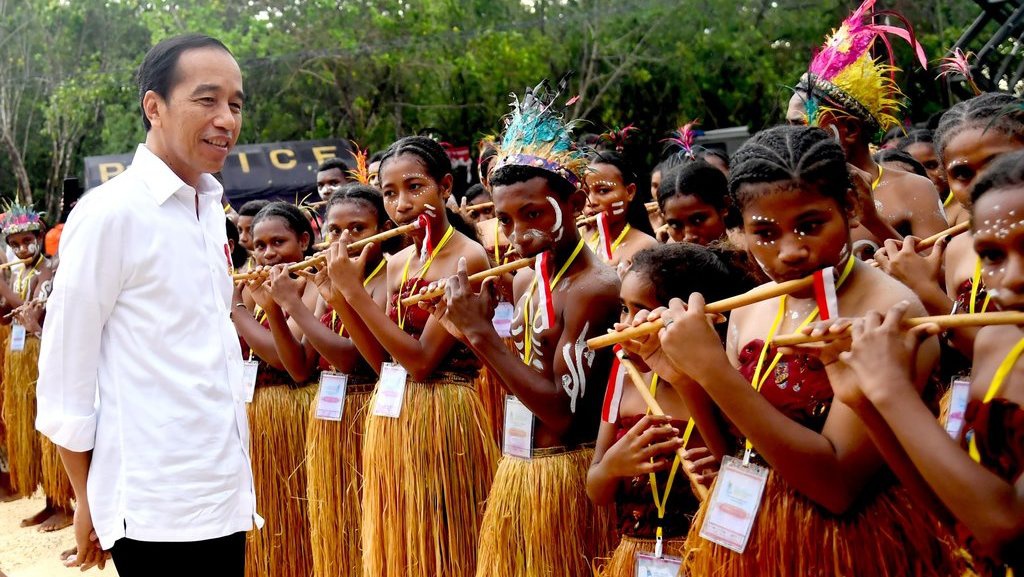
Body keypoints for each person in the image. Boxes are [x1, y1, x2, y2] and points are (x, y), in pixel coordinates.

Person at [623, 125, 961, 576]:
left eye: (810, 225)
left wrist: (713, 371)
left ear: (851, 206)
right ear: (738, 229)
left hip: (849, 549)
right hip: (755, 541)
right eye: (764, 232)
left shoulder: (890, 311)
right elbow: (736, 452)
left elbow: (838, 485)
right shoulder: (755, 304)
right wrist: (686, 376)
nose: (790, 251)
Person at [35, 34, 258, 575]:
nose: (225, 119)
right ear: (153, 107)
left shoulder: (209, 209)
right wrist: (87, 498)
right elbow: (67, 373)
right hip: (156, 509)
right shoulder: (112, 214)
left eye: (235, 103)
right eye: (206, 100)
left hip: (224, 493)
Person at [433, 80, 618, 577]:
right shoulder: (523, 277)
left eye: (533, 214)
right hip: (520, 469)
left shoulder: (594, 288)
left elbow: (564, 413)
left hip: (565, 476)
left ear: (575, 203)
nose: (518, 235)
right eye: (505, 220)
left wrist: (480, 335)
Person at [819, 149, 1024, 577]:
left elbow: (1008, 531)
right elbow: (952, 507)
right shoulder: (996, 340)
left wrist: (893, 392)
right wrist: (863, 397)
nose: (1014, 277)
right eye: (992, 255)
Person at [323, 135, 498, 577]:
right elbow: (383, 363)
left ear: (444, 186)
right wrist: (341, 297)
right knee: (400, 548)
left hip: (444, 415)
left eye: (415, 187)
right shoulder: (400, 261)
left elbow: (421, 363)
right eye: (390, 193)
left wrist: (352, 292)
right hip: (395, 419)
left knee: (445, 544)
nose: (402, 204)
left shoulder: (468, 257)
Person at [589, 243, 754, 576]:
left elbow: (730, 469)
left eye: (642, 310)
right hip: (636, 555)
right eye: (623, 309)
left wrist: (681, 381)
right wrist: (612, 467)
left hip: (708, 556)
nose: (628, 324)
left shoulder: (721, 378)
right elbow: (596, 489)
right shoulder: (622, 374)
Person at [270, 184, 392, 577]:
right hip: (329, 416)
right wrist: (273, 310)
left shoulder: (388, 274)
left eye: (357, 228)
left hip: (371, 413)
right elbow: (301, 365)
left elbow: (355, 358)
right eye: (335, 231)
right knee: (338, 528)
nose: (344, 240)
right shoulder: (328, 280)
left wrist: (295, 304)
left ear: (383, 227)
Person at [786, 0, 946, 257]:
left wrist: (872, 220)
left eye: (799, 124)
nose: (789, 137)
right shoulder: (789, 198)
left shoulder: (913, 190)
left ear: (849, 129)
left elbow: (944, 282)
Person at [873, 92, 1024, 360]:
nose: (983, 184)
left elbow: (1011, 363)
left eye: (999, 163)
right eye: (963, 174)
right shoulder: (956, 248)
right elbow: (963, 355)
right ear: (946, 178)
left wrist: (927, 291)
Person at [231, 202, 318, 577]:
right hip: (258, 411)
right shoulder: (253, 287)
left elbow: (291, 361)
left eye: (278, 242)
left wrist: (236, 311)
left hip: (297, 408)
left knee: (298, 508)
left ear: (303, 240)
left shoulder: (312, 283)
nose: (268, 253)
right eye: (260, 246)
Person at [0, 206, 70, 531]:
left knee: (47, 428)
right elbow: (9, 312)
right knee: (28, 429)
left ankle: (64, 505)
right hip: (18, 356)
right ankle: (49, 501)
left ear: (40, 237)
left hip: (40, 356)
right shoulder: (16, 271)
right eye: (14, 244)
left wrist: (5, 291)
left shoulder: (50, 270)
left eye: (27, 241)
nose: (21, 249)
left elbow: (35, 311)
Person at [585, 149, 658, 272]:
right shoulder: (580, 236)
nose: (591, 202)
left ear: (629, 192)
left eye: (603, 190)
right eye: (585, 193)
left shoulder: (645, 246)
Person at [656, 160, 731, 246]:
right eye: (675, 225)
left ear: (724, 205)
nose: (688, 237)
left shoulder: (746, 253)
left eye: (698, 220)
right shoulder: (668, 255)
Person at [896, 129, 956, 223]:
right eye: (914, 170)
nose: (925, 175)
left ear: (946, 162)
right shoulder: (899, 215)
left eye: (932, 165)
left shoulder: (966, 206)